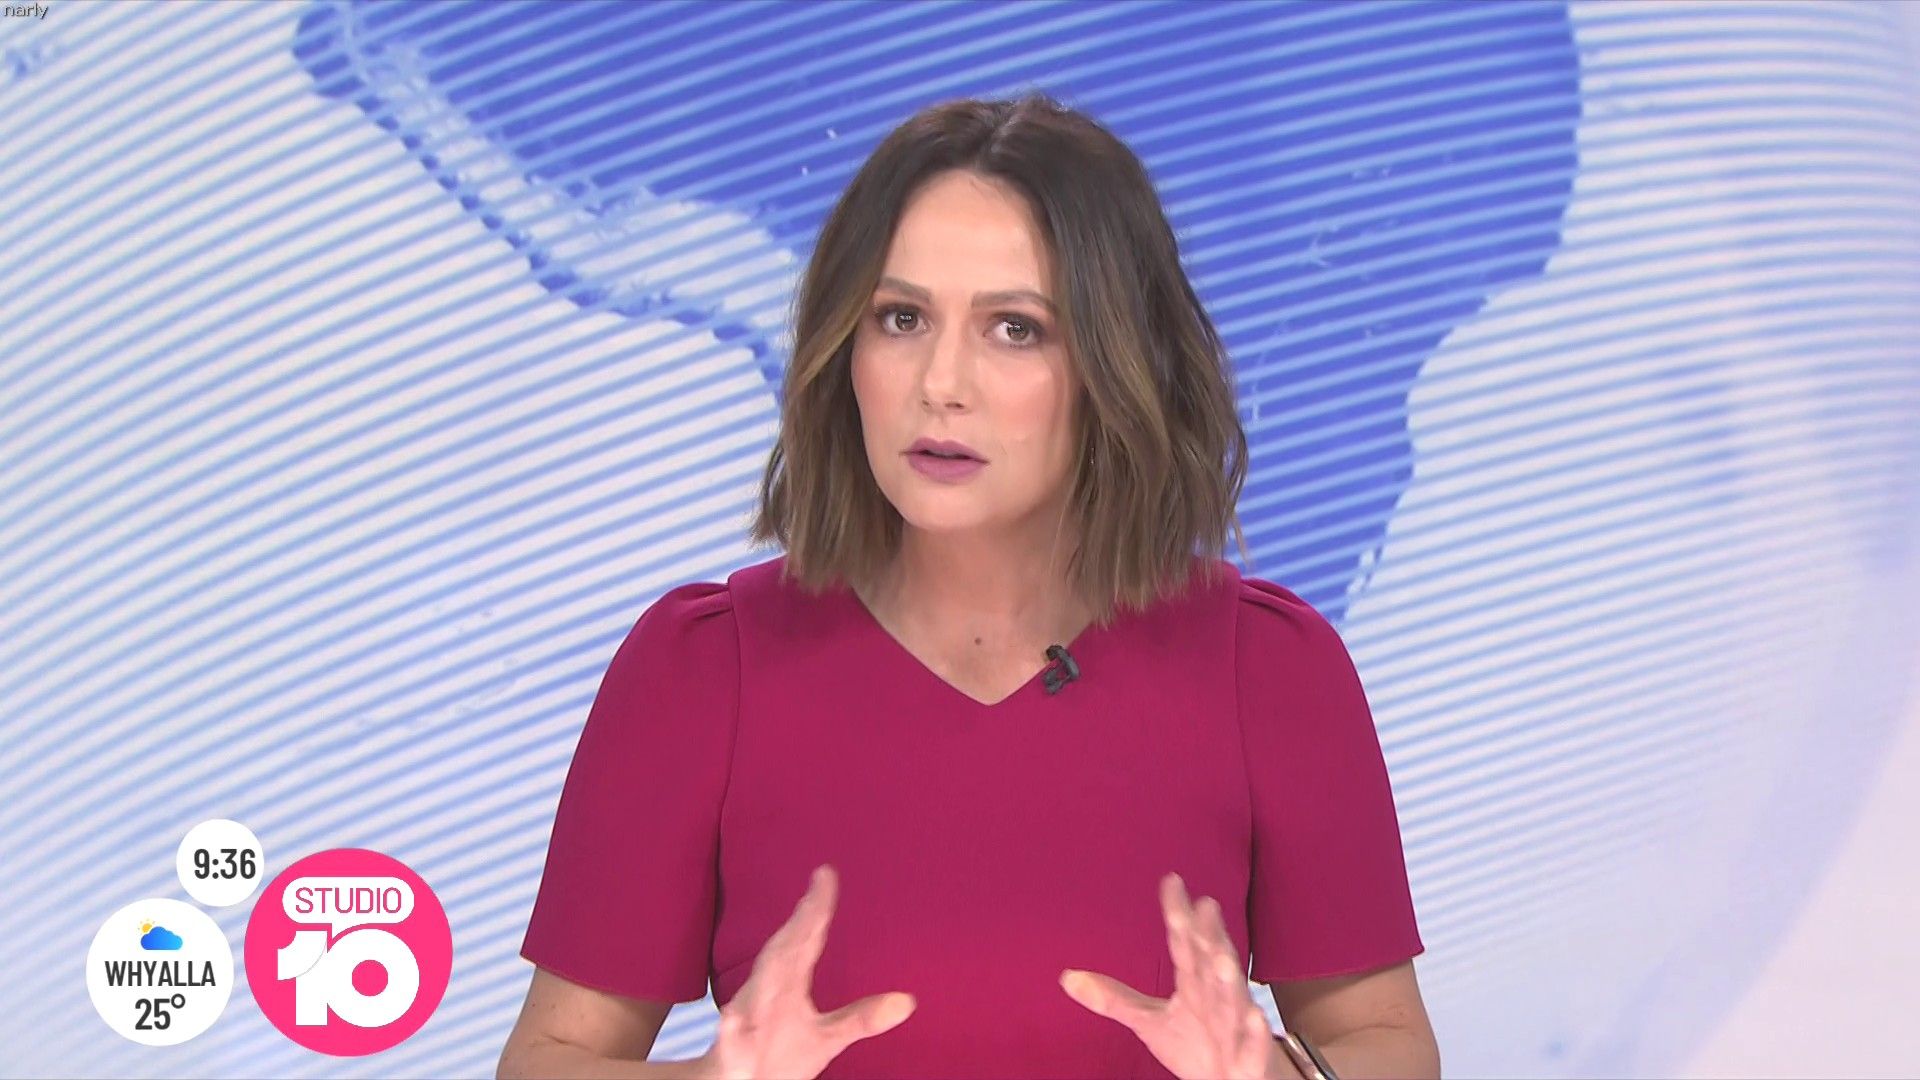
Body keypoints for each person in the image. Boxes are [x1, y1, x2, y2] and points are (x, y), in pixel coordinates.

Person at [497, 92, 1439, 1080]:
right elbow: (547, 1062)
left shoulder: (1270, 671)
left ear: (1120, 362)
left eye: (1015, 329)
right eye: (900, 318)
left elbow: (1389, 1047)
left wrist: (1277, 1077)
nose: (940, 383)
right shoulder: (701, 672)